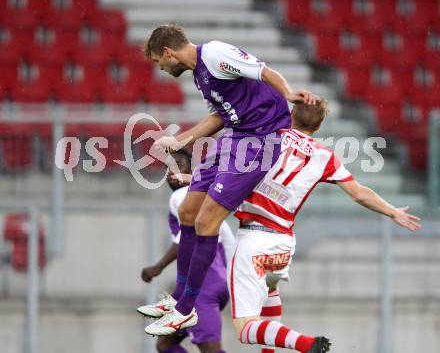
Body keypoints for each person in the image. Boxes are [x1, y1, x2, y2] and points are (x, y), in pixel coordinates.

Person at [169, 98, 422, 352]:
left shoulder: (266, 137)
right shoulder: (326, 157)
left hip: (254, 238)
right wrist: (392, 212)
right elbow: (359, 194)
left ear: (290, 114)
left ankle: (307, 344)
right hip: (283, 243)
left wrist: (192, 179)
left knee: (245, 329)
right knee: (270, 288)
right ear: (319, 126)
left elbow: (227, 176)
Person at [143, 23, 317, 335]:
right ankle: (181, 298)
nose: (161, 68)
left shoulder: (214, 54)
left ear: (168, 52)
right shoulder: (199, 74)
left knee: (206, 222)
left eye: (158, 61)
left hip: (261, 141)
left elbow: (262, 71)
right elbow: (219, 117)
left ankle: (185, 311)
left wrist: (289, 94)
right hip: (236, 138)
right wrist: (179, 140)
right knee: (187, 211)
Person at [138, 150, 235, 353]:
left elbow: (185, 237)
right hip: (214, 283)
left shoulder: (182, 196)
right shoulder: (205, 200)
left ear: (191, 170)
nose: (172, 172)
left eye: (178, 165)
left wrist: (158, 267)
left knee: (210, 347)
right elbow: (227, 236)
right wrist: (230, 279)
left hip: (201, 288)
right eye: (167, 168)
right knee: (165, 343)